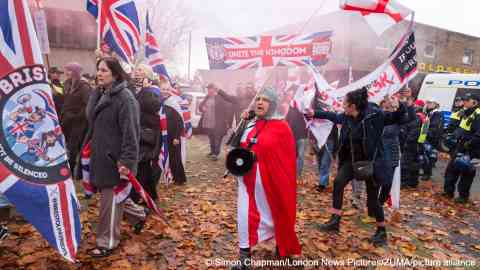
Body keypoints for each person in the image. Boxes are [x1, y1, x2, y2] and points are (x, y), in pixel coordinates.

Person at [306, 87, 407, 246]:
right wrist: (314, 114)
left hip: (372, 163)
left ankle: (381, 232)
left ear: (353, 106)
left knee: (373, 200)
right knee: (338, 182)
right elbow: (332, 116)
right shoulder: (346, 117)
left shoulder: (375, 115)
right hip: (351, 162)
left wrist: (401, 105)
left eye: (344, 103)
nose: (342, 106)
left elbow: (397, 118)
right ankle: (335, 221)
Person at [231, 87, 301, 270]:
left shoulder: (282, 127)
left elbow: (287, 158)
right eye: (258, 99)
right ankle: (244, 257)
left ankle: (282, 247)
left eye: (265, 99)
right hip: (248, 181)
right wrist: (243, 122)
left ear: (273, 104)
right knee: (244, 214)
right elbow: (234, 145)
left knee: (280, 211)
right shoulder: (250, 123)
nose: (259, 102)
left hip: (274, 182)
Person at [85, 57, 145, 257]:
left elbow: (132, 134)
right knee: (113, 199)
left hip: (115, 160)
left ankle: (107, 242)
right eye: (98, 69)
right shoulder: (101, 93)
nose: (99, 74)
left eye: (104, 70)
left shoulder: (125, 99)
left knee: (109, 203)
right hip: (100, 156)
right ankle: (139, 215)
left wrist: (127, 162)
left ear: (116, 74)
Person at [131, 64, 162, 200]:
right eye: (136, 70)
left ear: (147, 75)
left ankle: (137, 198)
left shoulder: (152, 91)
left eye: (140, 70)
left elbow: (153, 105)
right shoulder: (132, 89)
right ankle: (150, 196)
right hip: (135, 132)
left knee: (142, 165)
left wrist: (145, 89)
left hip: (146, 134)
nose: (137, 72)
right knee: (144, 168)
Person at [443, 93, 480, 203]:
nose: (464, 102)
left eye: (467, 100)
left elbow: (478, 134)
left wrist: (468, 144)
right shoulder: (467, 112)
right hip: (460, 146)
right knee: (451, 169)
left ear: (474, 102)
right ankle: (448, 192)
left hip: (471, 149)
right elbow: (461, 129)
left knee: (466, 173)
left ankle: (463, 197)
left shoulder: (478, 114)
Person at [61, 62, 91, 180]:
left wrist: (75, 116)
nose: (67, 73)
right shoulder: (67, 84)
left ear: (76, 72)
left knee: (74, 148)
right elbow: (66, 102)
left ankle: (73, 173)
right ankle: (70, 170)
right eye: (67, 70)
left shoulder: (84, 86)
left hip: (79, 122)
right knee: (67, 146)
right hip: (66, 121)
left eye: (70, 70)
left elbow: (87, 105)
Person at [158, 81, 187, 185]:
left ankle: (180, 178)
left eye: (166, 89)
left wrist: (176, 137)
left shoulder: (173, 103)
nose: (165, 91)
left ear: (170, 90)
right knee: (167, 157)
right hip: (165, 135)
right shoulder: (160, 102)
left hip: (174, 135)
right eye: (163, 89)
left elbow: (179, 122)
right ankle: (170, 176)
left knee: (175, 158)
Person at [198, 83, 236, 160]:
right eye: (208, 89)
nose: (208, 90)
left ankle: (216, 153)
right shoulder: (207, 97)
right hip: (208, 122)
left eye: (210, 88)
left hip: (218, 123)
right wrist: (202, 108)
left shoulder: (220, 98)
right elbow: (200, 106)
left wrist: (228, 122)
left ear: (214, 89)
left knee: (217, 138)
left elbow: (227, 110)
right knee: (211, 137)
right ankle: (212, 152)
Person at [400, 98, 423, 189]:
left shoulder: (417, 116)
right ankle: (413, 182)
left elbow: (414, 130)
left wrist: (406, 142)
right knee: (414, 163)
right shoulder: (421, 115)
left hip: (411, 143)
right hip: (417, 143)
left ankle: (404, 182)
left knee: (405, 163)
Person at [420, 98, 444, 180]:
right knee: (425, 155)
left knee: (429, 157)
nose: (428, 104)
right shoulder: (429, 113)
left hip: (431, 139)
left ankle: (427, 174)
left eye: (430, 103)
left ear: (435, 104)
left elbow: (434, 127)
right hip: (426, 137)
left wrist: (427, 135)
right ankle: (425, 172)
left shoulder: (437, 114)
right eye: (428, 103)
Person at [285, 105, 308, 180]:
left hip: (302, 136)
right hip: (291, 136)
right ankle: (290, 173)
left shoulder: (305, 108)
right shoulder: (290, 108)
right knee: (291, 155)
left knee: (300, 156)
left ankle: (297, 175)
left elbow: (309, 121)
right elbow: (287, 121)